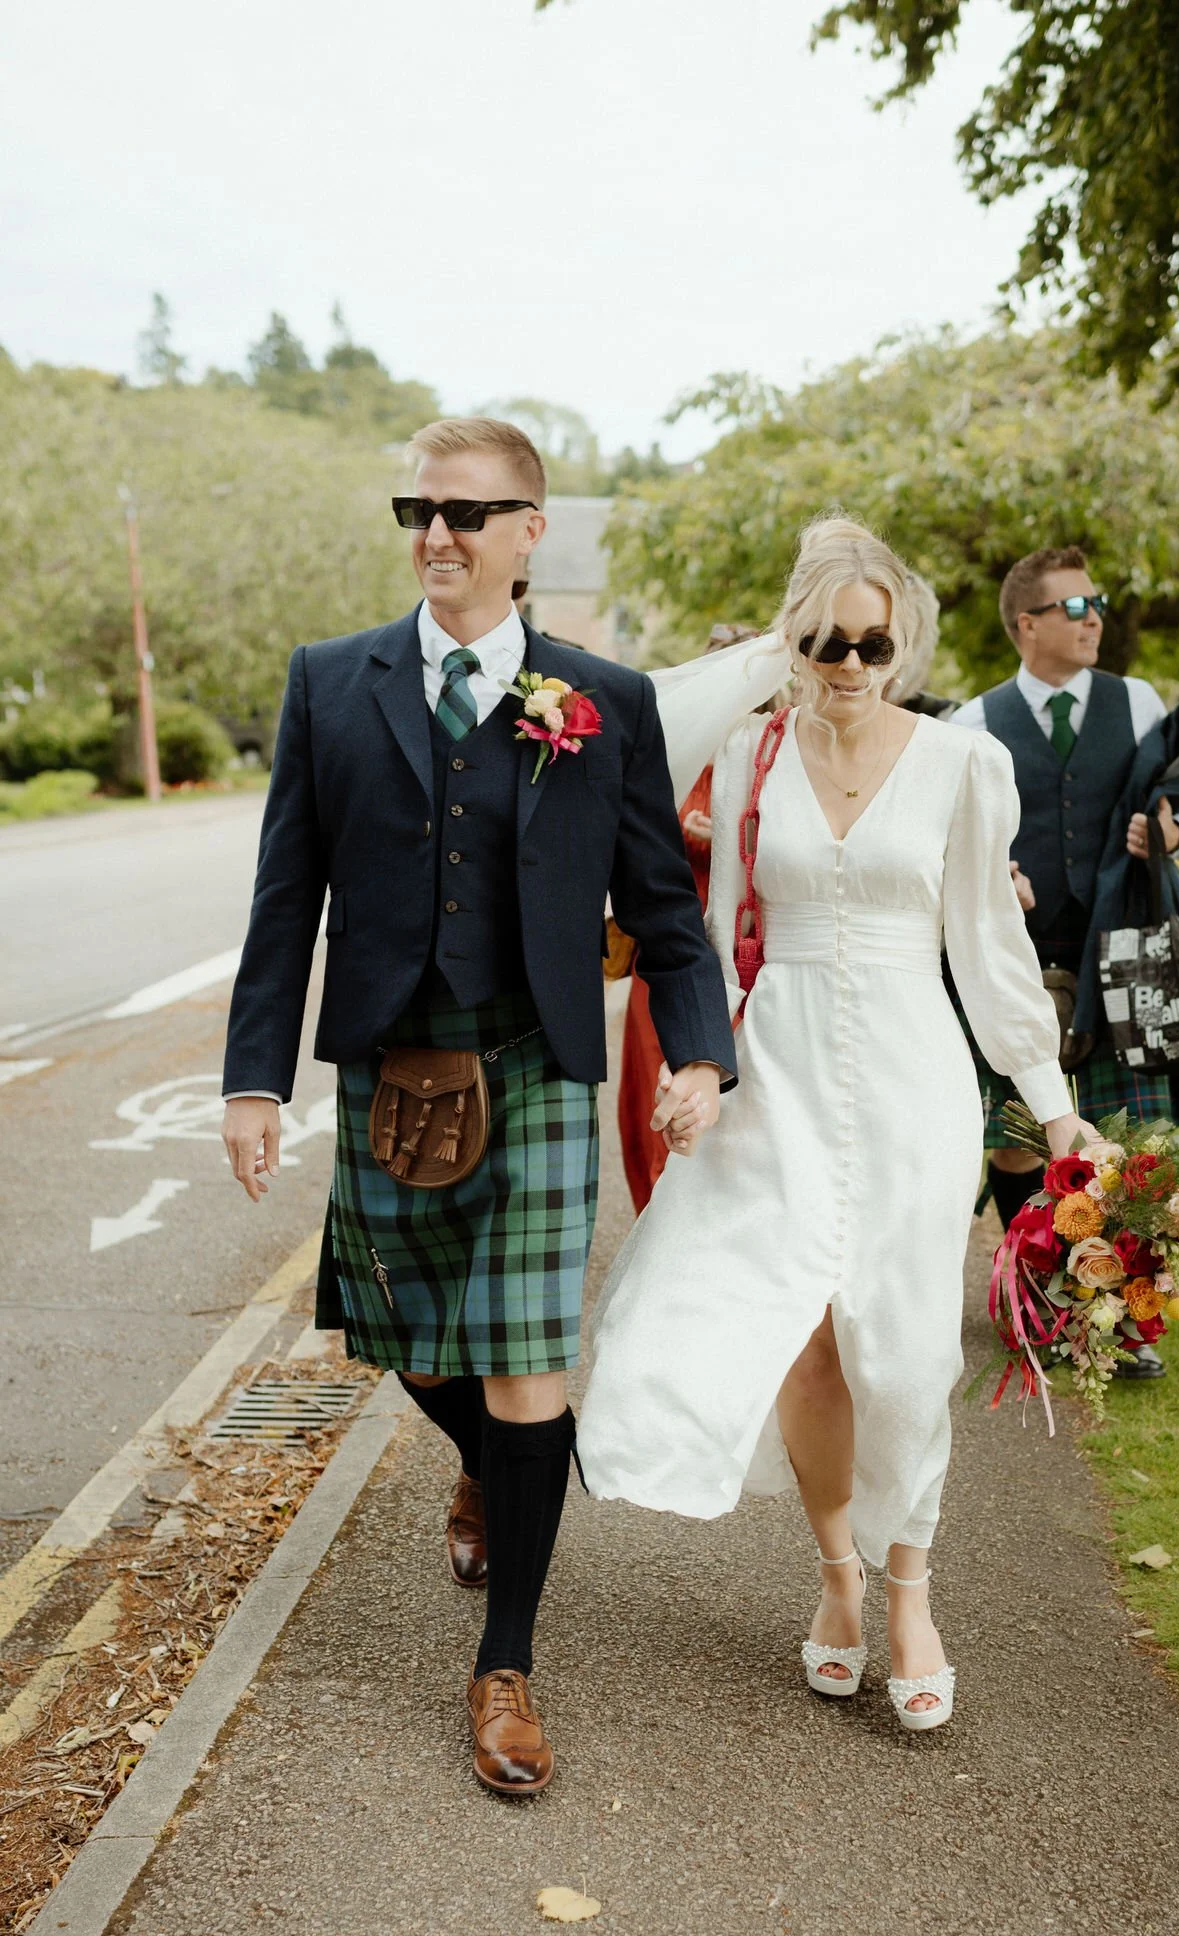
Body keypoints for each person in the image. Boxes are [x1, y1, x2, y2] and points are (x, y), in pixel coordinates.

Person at [220, 417, 734, 1796]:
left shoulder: (603, 701)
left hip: (538, 1061)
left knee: (525, 1359)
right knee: (400, 1341)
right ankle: (495, 1473)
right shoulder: (332, 684)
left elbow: (665, 912)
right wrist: (255, 1076)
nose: (435, 533)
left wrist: (699, 1054)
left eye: (466, 511)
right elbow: (285, 904)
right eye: (418, 508)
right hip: (391, 1060)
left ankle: (504, 1664)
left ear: (529, 531)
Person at [578, 516, 1087, 1732]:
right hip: (782, 1063)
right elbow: (699, 899)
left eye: (870, 640)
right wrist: (700, 1063)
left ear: (901, 640)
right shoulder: (754, 754)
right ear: (794, 640)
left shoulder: (963, 764)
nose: (850, 662)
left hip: (915, 1072)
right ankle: (840, 1582)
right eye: (825, 640)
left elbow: (990, 946)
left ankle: (914, 1591)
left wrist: (1055, 1107)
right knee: (804, 1339)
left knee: (905, 1347)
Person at [950, 546, 1179, 1381]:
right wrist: (993, 875)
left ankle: (1119, 1317)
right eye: (1072, 606)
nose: (1093, 616)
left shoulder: (1136, 704)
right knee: (1018, 1145)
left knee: (1123, 1144)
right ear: (1025, 624)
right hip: (1014, 965)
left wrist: (1163, 837)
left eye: (1095, 602)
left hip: (1117, 962)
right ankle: (1037, 1303)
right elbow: (946, 846)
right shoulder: (971, 724)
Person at [619, 625, 760, 1213]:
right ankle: (658, 1223)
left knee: (732, 1108)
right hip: (668, 955)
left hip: (740, 961)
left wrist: (732, 835)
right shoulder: (676, 751)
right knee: (655, 1095)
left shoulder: (764, 755)